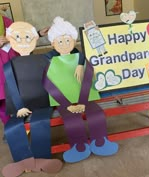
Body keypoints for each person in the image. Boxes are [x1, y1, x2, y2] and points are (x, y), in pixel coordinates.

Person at [43, 16, 119, 163]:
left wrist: (80, 64)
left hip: (85, 95)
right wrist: (66, 104)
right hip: (64, 98)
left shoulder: (79, 55)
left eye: (67, 40)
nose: (64, 44)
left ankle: (100, 142)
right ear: (53, 43)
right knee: (71, 118)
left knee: (96, 113)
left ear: (74, 41)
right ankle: (79, 146)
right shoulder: (50, 58)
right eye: (60, 41)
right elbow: (48, 81)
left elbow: (86, 57)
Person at [2, 21, 62, 177]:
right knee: (12, 128)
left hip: (43, 101)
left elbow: (52, 78)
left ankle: (41, 159)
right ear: (10, 39)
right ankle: (23, 161)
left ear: (35, 38)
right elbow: (11, 87)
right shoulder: (9, 65)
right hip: (20, 105)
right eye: (17, 37)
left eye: (27, 37)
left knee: (39, 122)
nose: (23, 41)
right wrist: (19, 106)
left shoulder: (43, 59)